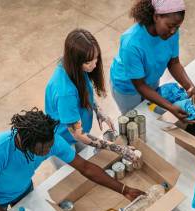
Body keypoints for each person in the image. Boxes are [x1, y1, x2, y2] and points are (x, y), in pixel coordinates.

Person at [0, 108, 144, 211]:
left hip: (24, 188)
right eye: (43, 150)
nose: (48, 151)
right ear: (26, 143)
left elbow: (85, 167)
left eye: (50, 146)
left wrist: (124, 189)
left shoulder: (50, 141)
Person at [45, 29, 137, 163]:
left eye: (96, 58)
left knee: (86, 157)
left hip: (78, 131)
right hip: (62, 140)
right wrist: (117, 148)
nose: (94, 65)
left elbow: (84, 91)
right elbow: (78, 134)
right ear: (76, 62)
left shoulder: (73, 67)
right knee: (72, 176)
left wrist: (98, 110)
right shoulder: (65, 93)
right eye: (88, 62)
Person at [110, 0, 195, 120]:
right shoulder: (131, 43)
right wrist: (170, 107)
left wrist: (189, 85)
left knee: (150, 113)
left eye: (177, 27)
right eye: (170, 26)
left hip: (151, 79)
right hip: (128, 88)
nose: (173, 31)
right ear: (156, 17)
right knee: (134, 120)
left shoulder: (171, 32)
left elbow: (173, 63)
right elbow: (140, 86)